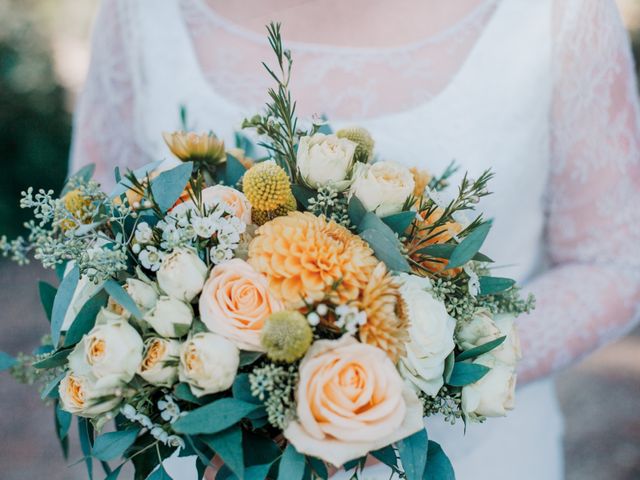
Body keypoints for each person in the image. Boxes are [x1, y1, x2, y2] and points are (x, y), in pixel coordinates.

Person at [70, 0, 640, 478]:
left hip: (476, 457)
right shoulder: (141, 11)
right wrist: (222, 390)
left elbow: (613, 261)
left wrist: (422, 378)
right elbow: (90, 233)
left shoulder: (558, 12)